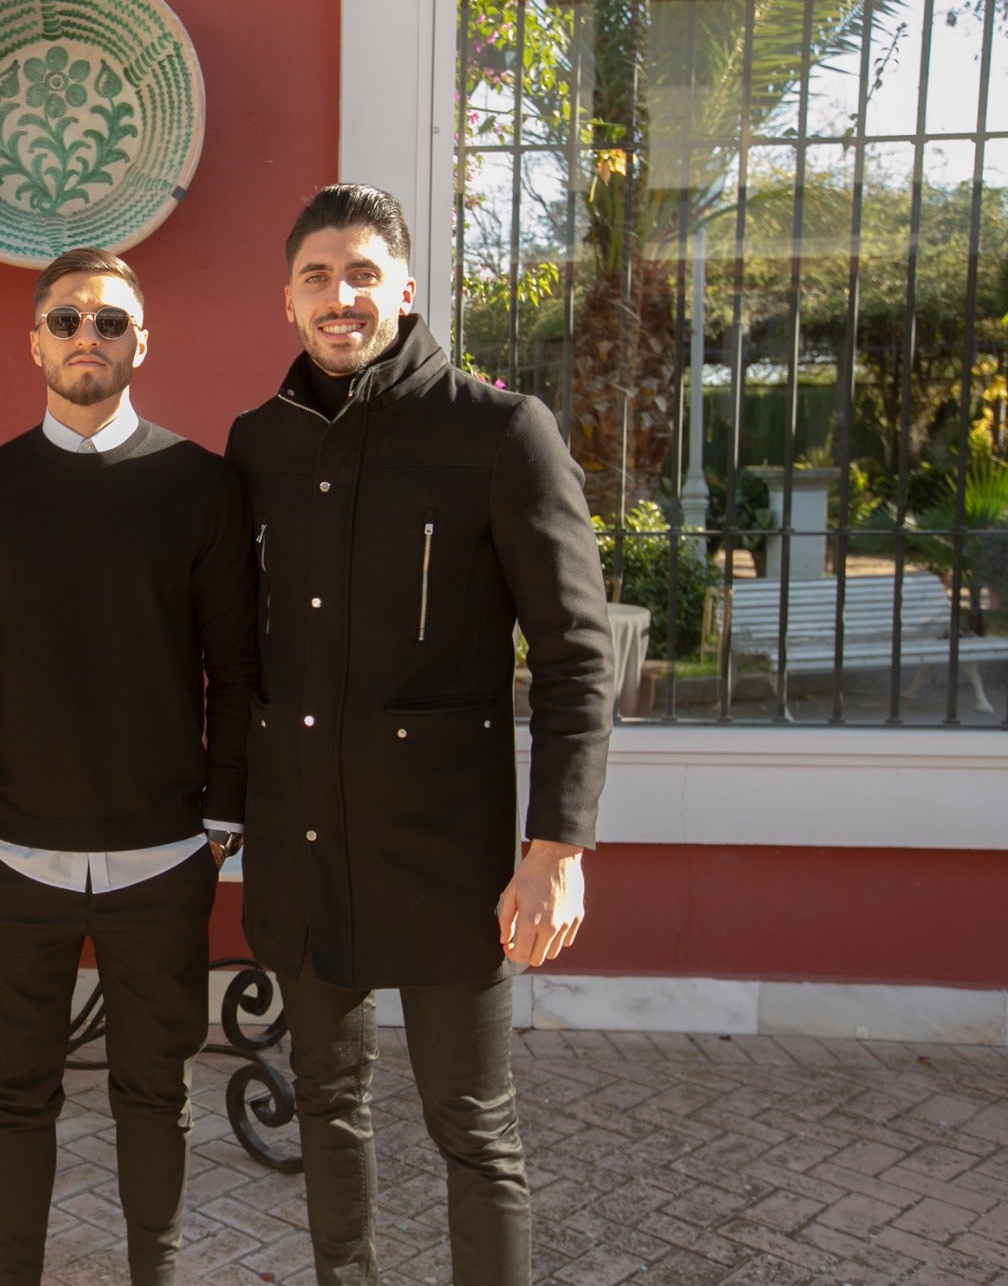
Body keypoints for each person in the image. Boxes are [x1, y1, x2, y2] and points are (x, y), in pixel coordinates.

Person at [227, 184, 615, 1283]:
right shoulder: (256, 442)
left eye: (360, 274)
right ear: (286, 300)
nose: (338, 297)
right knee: (325, 1111)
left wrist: (556, 850)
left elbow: (576, 653)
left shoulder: (498, 431)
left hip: (449, 856)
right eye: (315, 276)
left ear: (403, 286)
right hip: (301, 847)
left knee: (472, 1133)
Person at [0, 248, 256, 1286]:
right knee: (12, 1093)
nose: (86, 337)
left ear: (139, 343)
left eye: (108, 322)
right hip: (11, 856)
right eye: (66, 319)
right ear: (33, 339)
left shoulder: (201, 485)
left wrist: (219, 821)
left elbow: (235, 664)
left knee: (153, 1092)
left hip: (161, 855)